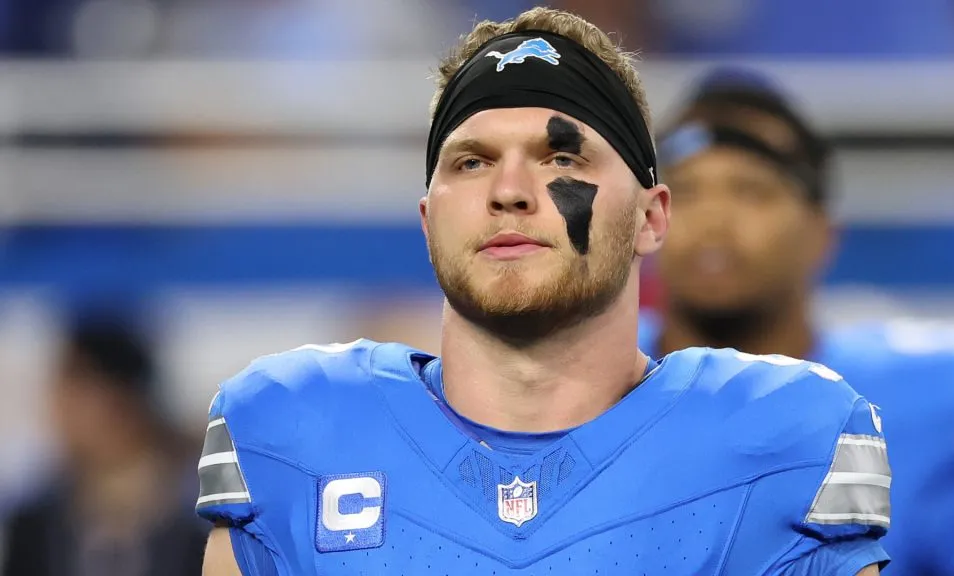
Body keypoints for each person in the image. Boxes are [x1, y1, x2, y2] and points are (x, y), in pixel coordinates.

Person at [197, 8, 889, 575]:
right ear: (429, 218)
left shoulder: (780, 440)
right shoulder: (292, 435)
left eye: (562, 157)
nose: (508, 192)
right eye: (471, 162)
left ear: (652, 218)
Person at [645, 66, 954, 576]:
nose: (714, 219)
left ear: (822, 235)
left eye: (751, 191)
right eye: (687, 192)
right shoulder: (583, 380)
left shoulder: (927, 396)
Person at [1, 313, 207, 576]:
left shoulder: (198, 518)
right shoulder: (34, 525)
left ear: (121, 398)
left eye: (74, 393)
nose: (57, 411)